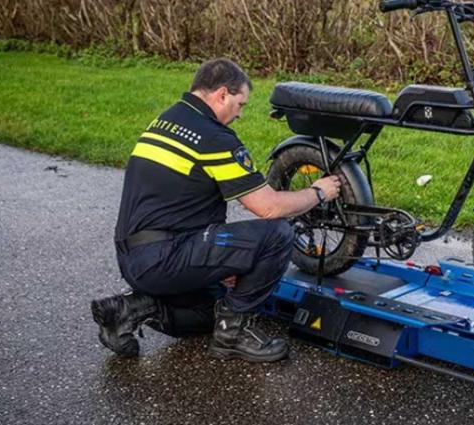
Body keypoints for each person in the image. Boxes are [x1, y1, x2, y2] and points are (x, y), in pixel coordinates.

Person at [90, 58, 341, 362]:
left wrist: (220, 264)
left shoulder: (167, 120)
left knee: (211, 309)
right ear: (222, 94)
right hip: (166, 256)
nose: (239, 114)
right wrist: (318, 192)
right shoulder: (213, 137)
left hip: (134, 258)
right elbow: (270, 207)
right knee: (277, 233)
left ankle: (129, 310)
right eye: (240, 104)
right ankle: (232, 336)